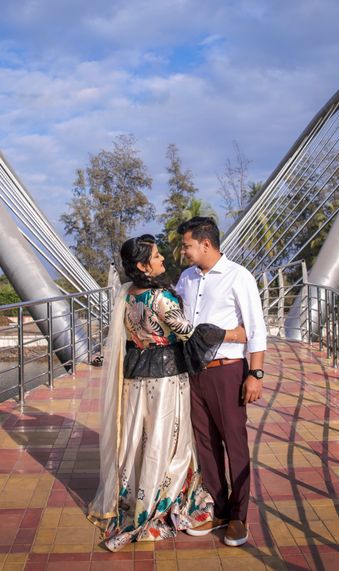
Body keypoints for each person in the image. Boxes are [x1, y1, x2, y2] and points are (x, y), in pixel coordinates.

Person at [87, 234, 248, 551]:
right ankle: (161, 500)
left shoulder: (127, 295)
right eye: (157, 256)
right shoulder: (161, 299)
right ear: (142, 265)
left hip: (135, 380)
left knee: (140, 438)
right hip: (166, 381)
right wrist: (228, 333)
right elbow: (189, 333)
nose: (163, 259)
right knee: (168, 440)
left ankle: (134, 495)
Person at [175, 216, 267, 547]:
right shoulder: (185, 278)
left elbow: (255, 328)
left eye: (186, 245)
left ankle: (239, 517)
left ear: (206, 244)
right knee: (206, 443)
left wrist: (255, 374)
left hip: (228, 371)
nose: (183, 251)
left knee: (234, 441)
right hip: (193, 372)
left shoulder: (238, 277)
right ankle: (219, 508)